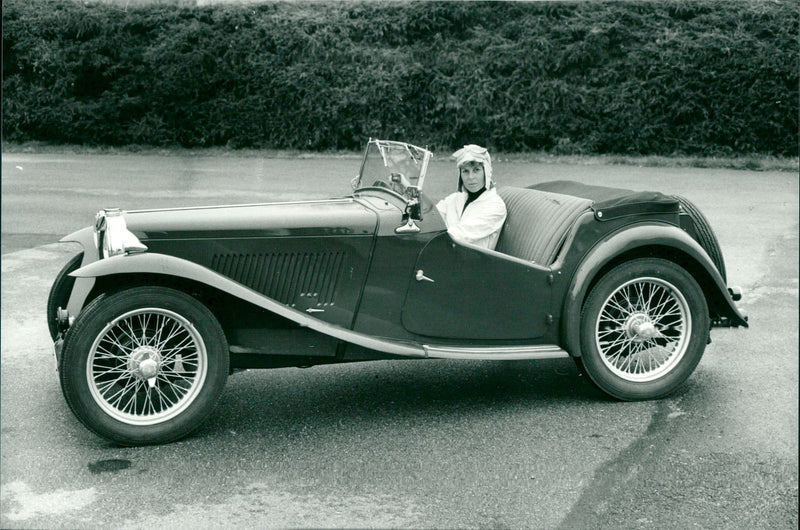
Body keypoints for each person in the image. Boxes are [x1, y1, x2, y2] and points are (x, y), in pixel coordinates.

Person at [435, 144, 507, 250]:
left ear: (486, 172)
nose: (471, 177)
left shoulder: (495, 206)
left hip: (474, 263)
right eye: (465, 171)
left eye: (476, 170)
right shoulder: (455, 198)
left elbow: (460, 235)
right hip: (449, 255)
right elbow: (432, 215)